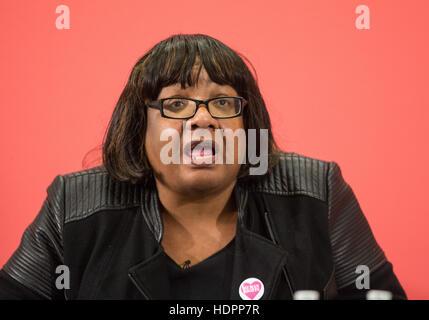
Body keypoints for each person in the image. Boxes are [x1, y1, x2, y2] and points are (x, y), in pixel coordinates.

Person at [0, 34, 406, 300]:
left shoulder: (318, 192)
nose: (202, 119)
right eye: (176, 104)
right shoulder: (73, 205)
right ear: (140, 129)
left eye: (222, 102)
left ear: (247, 128)